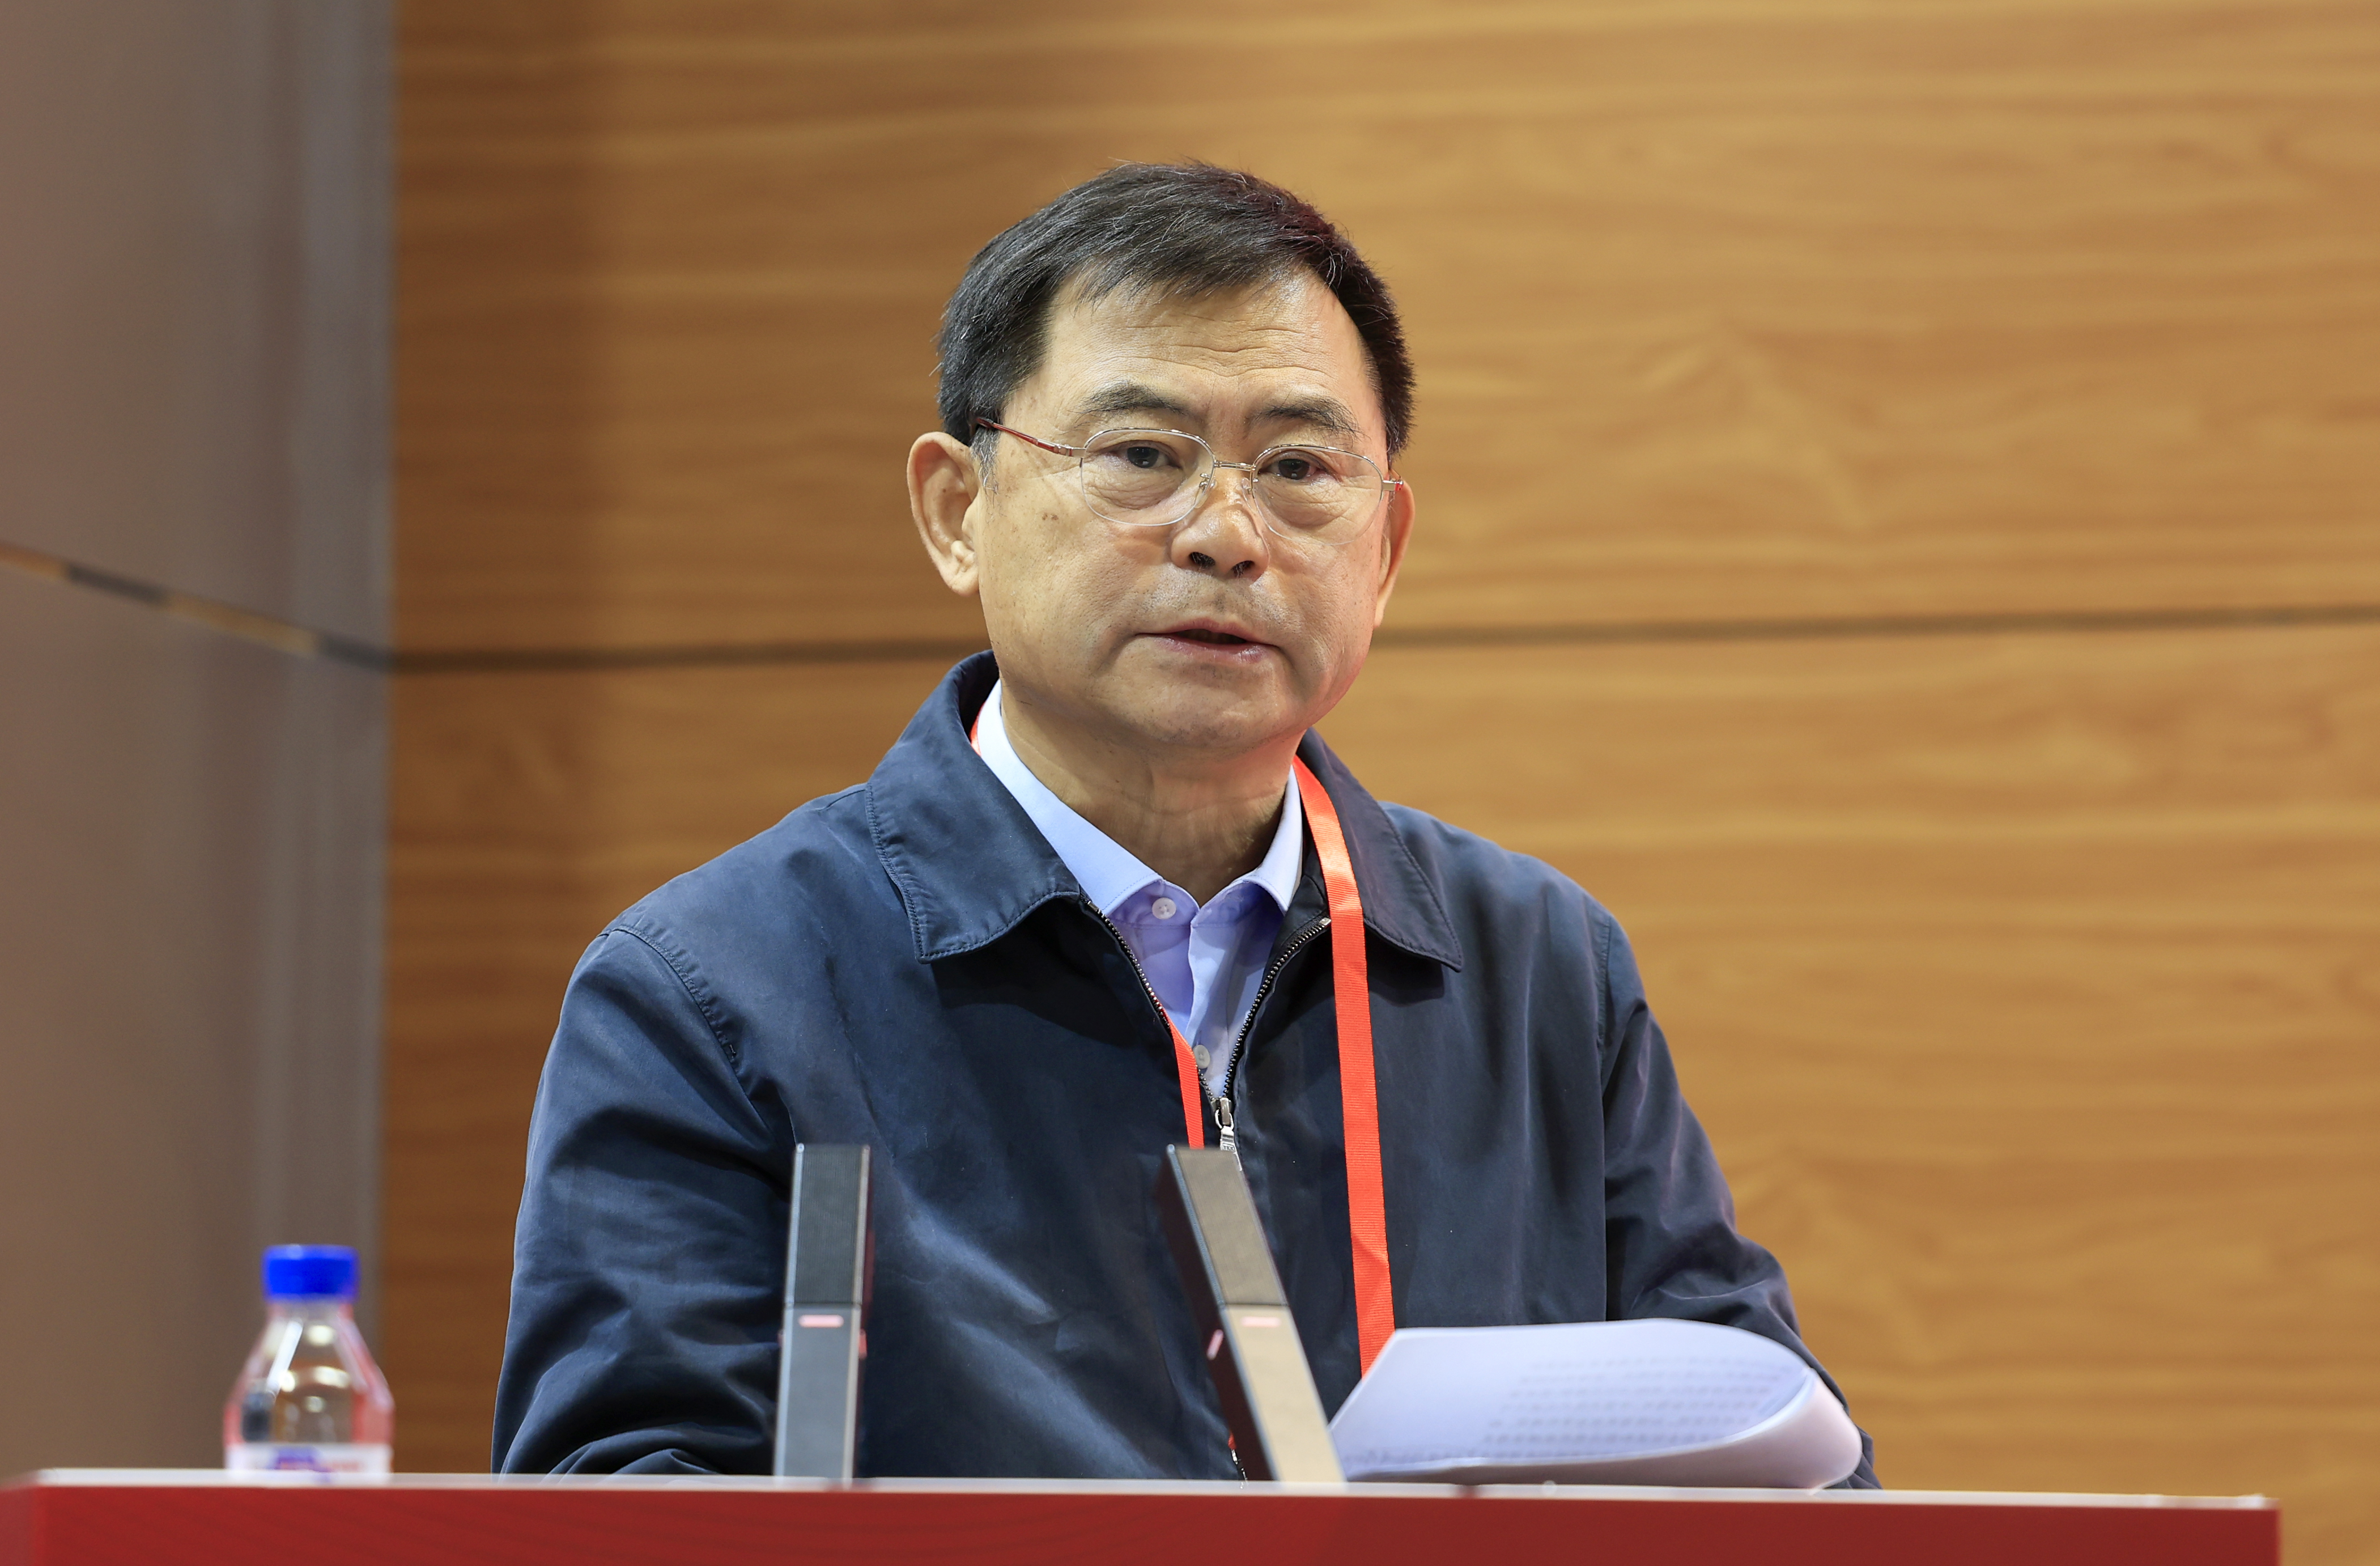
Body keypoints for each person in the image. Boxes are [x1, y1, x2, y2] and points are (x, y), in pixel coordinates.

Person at [492, 163, 1877, 1486]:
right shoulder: (717, 987)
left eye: (1298, 467)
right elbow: (624, 1508)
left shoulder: (1536, 969)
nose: (1227, 531)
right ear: (959, 511)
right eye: (1143, 454)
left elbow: (1778, 1456)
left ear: (1386, 552)